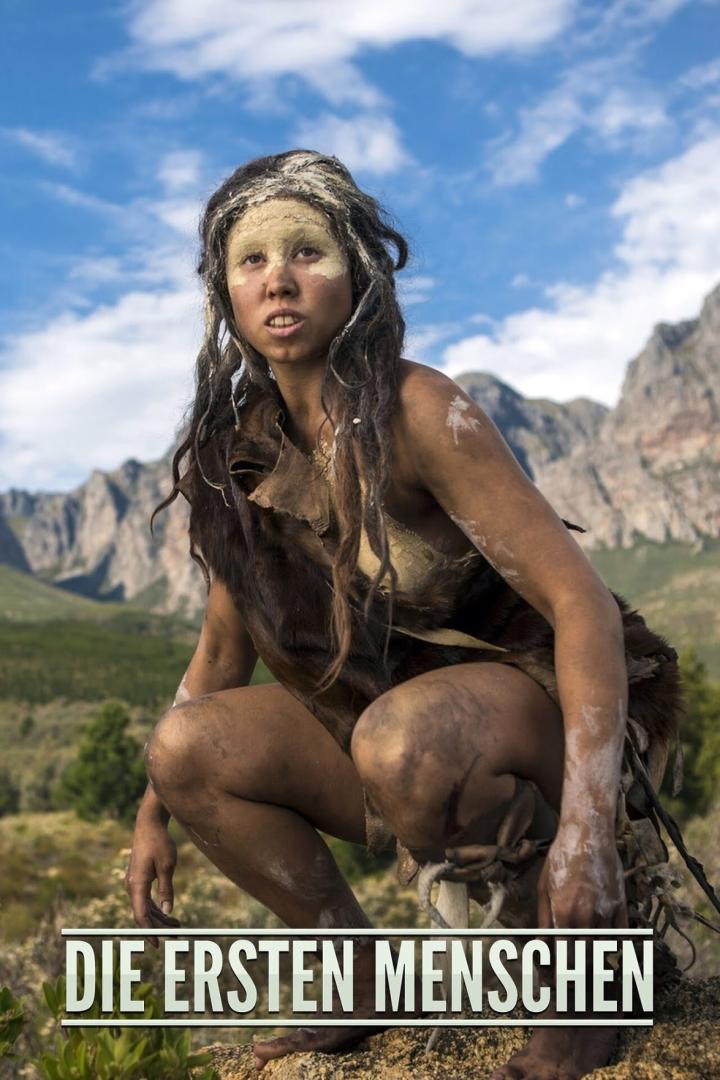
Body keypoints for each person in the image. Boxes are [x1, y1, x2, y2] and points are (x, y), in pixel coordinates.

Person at [125, 150, 683, 1079]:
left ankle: (589, 977)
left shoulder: (420, 410)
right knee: (187, 747)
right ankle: (358, 982)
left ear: (359, 272)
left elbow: (579, 602)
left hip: (545, 710)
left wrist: (587, 830)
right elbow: (224, 649)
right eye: (251, 261)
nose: (279, 278)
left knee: (400, 740)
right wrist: (154, 812)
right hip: (397, 729)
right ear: (225, 295)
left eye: (307, 250)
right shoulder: (241, 457)